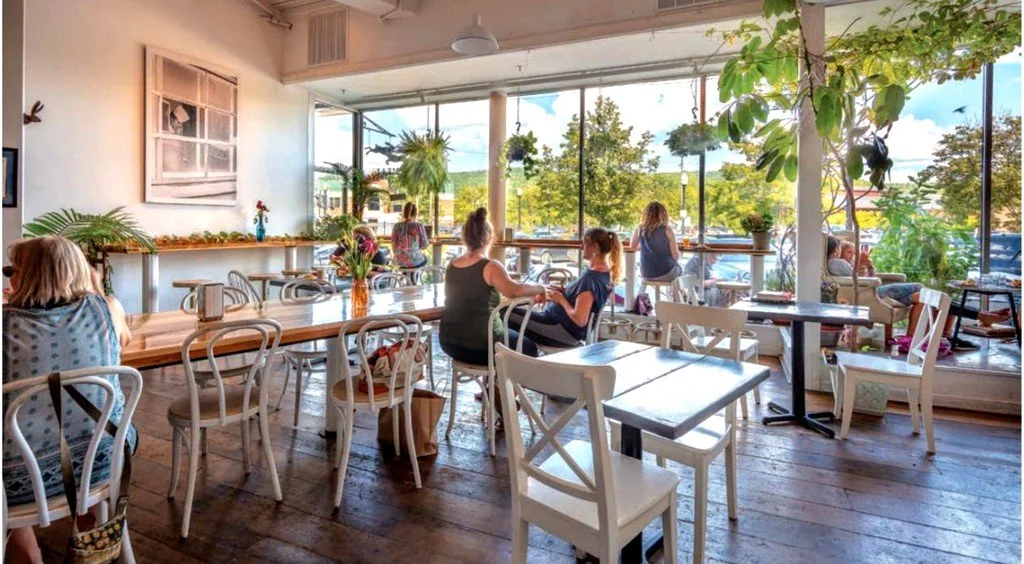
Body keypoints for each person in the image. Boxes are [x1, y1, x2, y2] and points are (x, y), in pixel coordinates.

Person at [2, 236, 136, 564]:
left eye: (11, 272)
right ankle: (87, 523)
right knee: (78, 421)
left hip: (20, 483)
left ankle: (30, 556)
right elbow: (124, 342)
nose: (10, 279)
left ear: (30, 276)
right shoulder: (109, 308)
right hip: (106, 459)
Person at [439, 207, 546, 367]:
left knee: (502, 329)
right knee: (528, 347)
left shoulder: (451, 265)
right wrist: (540, 288)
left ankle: (491, 389)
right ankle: (501, 390)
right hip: (481, 347)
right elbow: (515, 291)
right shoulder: (490, 266)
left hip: (449, 343)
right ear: (489, 237)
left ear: (464, 237)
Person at [506, 227, 621, 347]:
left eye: (584, 244)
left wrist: (561, 300)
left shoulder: (591, 278)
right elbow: (581, 300)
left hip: (560, 331)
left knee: (504, 312)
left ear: (595, 247)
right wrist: (564, 292)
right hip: (559, 326)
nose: (582, 248)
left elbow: (580, 320)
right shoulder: (604, 274)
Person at [631, 202, 681, 281]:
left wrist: (645, 245)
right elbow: (676, 256)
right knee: (679, 270)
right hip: (666, 273)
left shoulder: (639, 228)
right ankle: (674, 293)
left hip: (646, 273)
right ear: (663, 214)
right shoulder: (667, 229)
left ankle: (671, 292)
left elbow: (633, 247)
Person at [391, 202, 430, 269]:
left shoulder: (396, 226)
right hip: (415, 260)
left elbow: (393, 244)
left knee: (405, 266)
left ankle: (406, 277)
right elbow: (424, 246)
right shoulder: (419, 226)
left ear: (404, 212)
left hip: (399, 261)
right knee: (425, 259)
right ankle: (414, 278)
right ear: (415, 213)